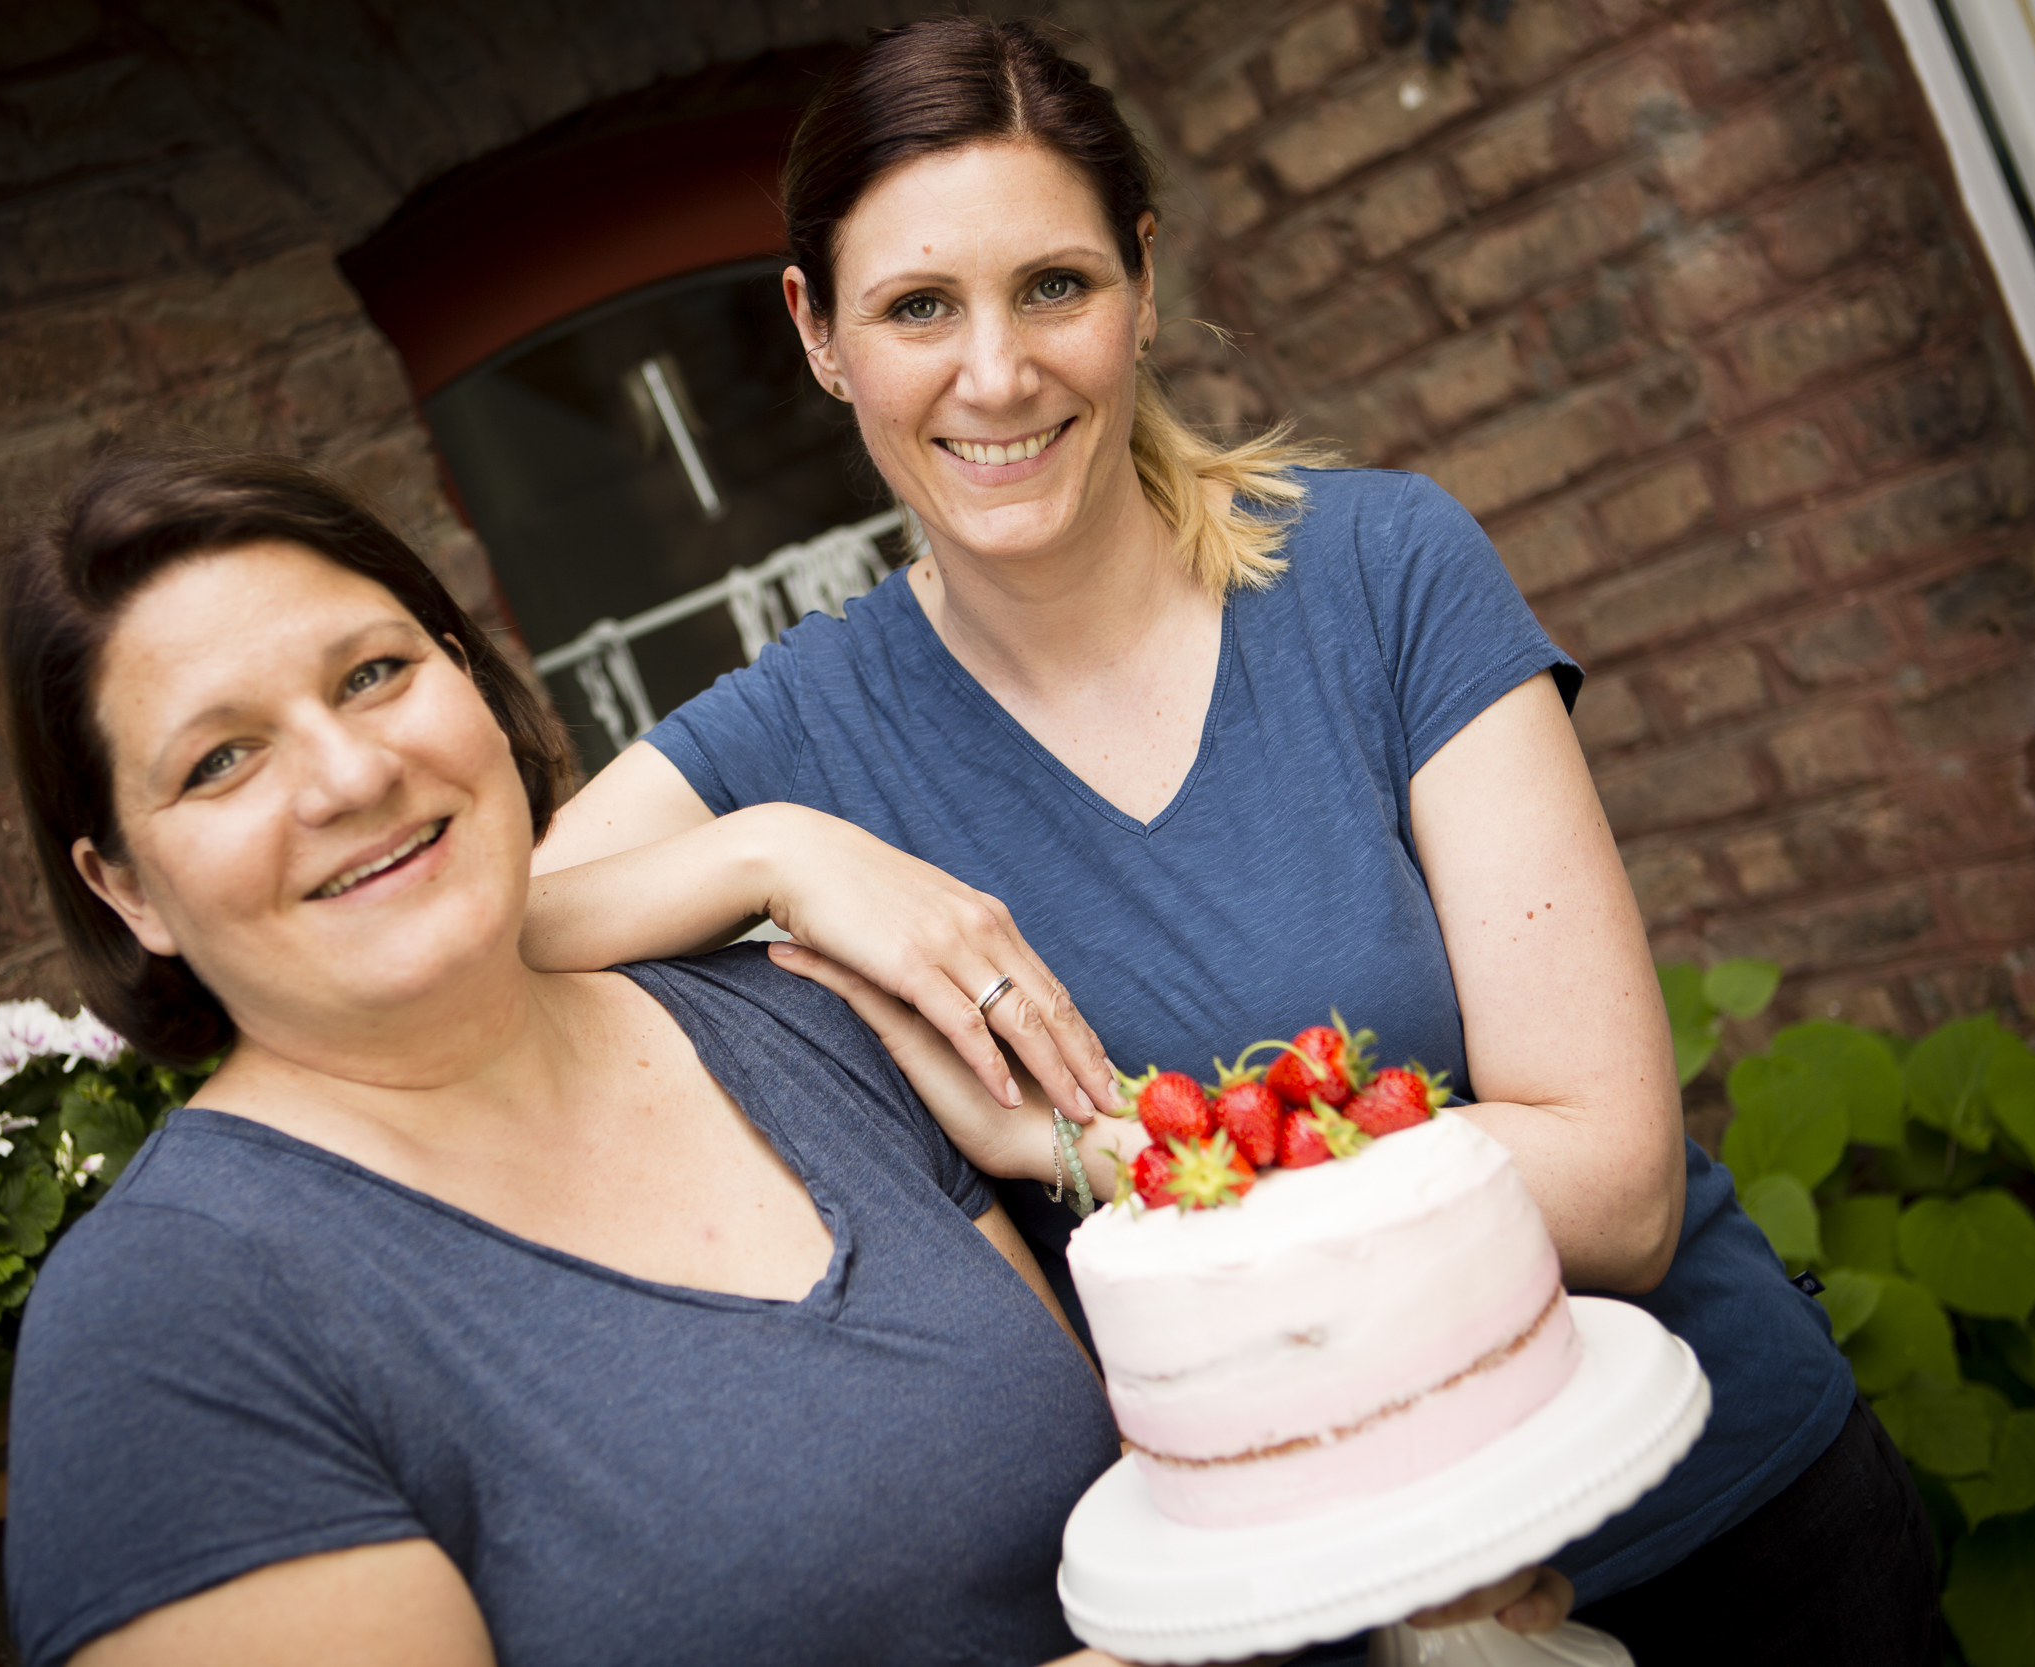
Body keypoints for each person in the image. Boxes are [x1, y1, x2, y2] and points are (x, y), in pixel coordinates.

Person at [523, 17, 1940, 1665]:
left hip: (1725, 1532)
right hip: (1326, 1620)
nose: (995, 371)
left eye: (1053, 285)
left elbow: (1613, 1187)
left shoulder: (1380, 573)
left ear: (1139, 278)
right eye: (917, 306)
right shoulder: (803, 733)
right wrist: (775, 854)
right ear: (819, 335)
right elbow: (472, 930)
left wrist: (1097, 1157)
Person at [0, 448, 1154, 1667]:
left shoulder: (798, 1023)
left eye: (374, 673)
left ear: (472, 679)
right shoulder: (172, 1316)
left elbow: (1130, 1536)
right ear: (127, 889)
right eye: (219, 760)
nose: (352, 774)